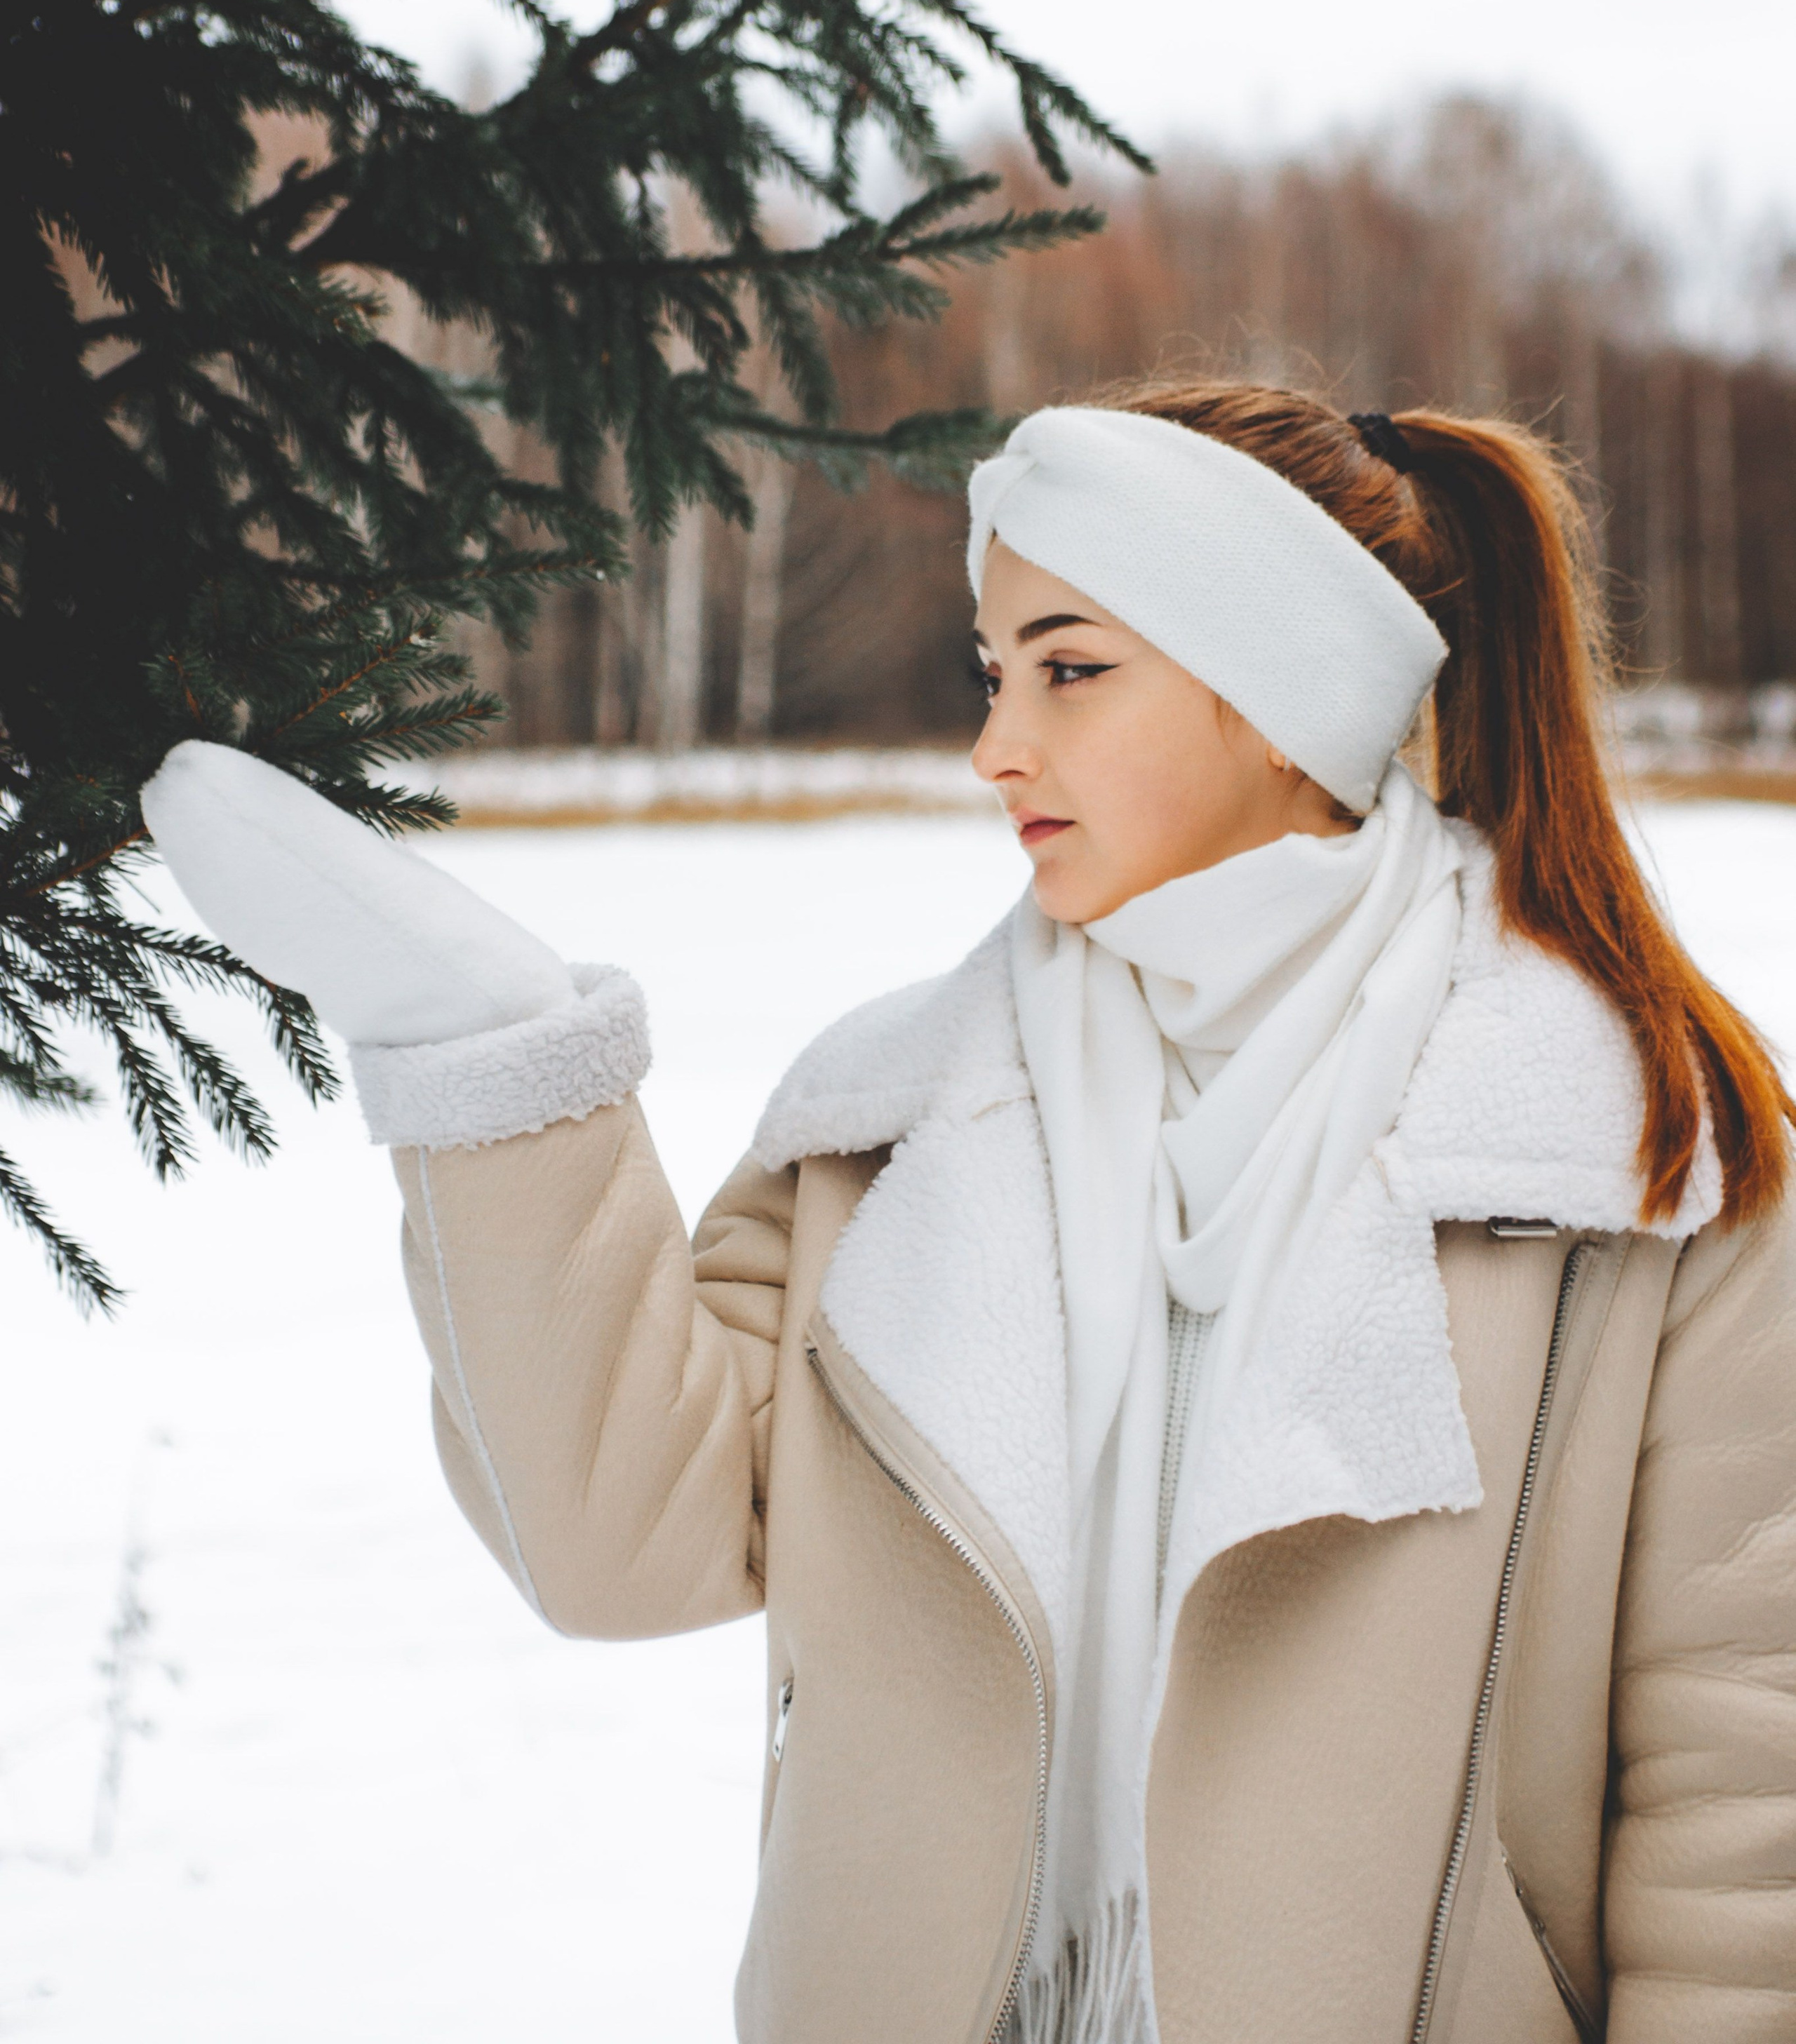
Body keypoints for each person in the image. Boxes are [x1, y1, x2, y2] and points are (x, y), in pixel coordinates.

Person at [142, 381, 1796, 2044]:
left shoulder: (1634, 1158)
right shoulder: (876, 1124)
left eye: (1069, 670)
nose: (995, 746)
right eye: (990, 673)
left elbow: (1739, 1789)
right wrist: (488, 1062)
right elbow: (619, 1545)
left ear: (1282, 697)